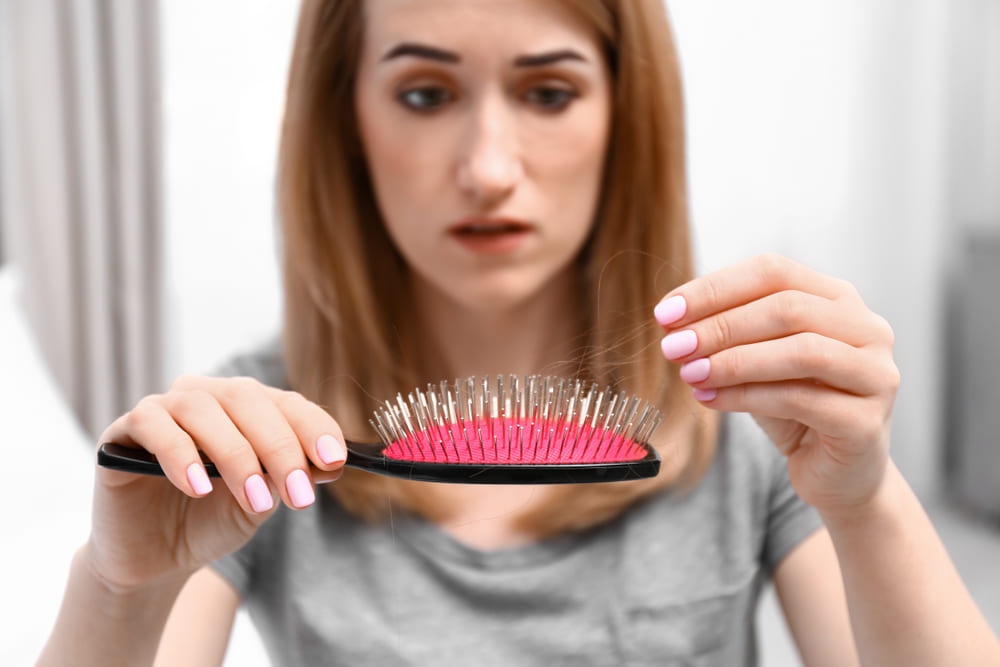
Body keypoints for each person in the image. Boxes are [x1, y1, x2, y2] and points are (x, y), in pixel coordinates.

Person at [41, 0, 1000, 664]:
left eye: (548, 92)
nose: (490, 168)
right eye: (425, 93)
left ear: (628, 114)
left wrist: (868, 500)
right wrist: (117, 588)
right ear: (347, 121)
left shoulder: (748, 425)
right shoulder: (256, 446)